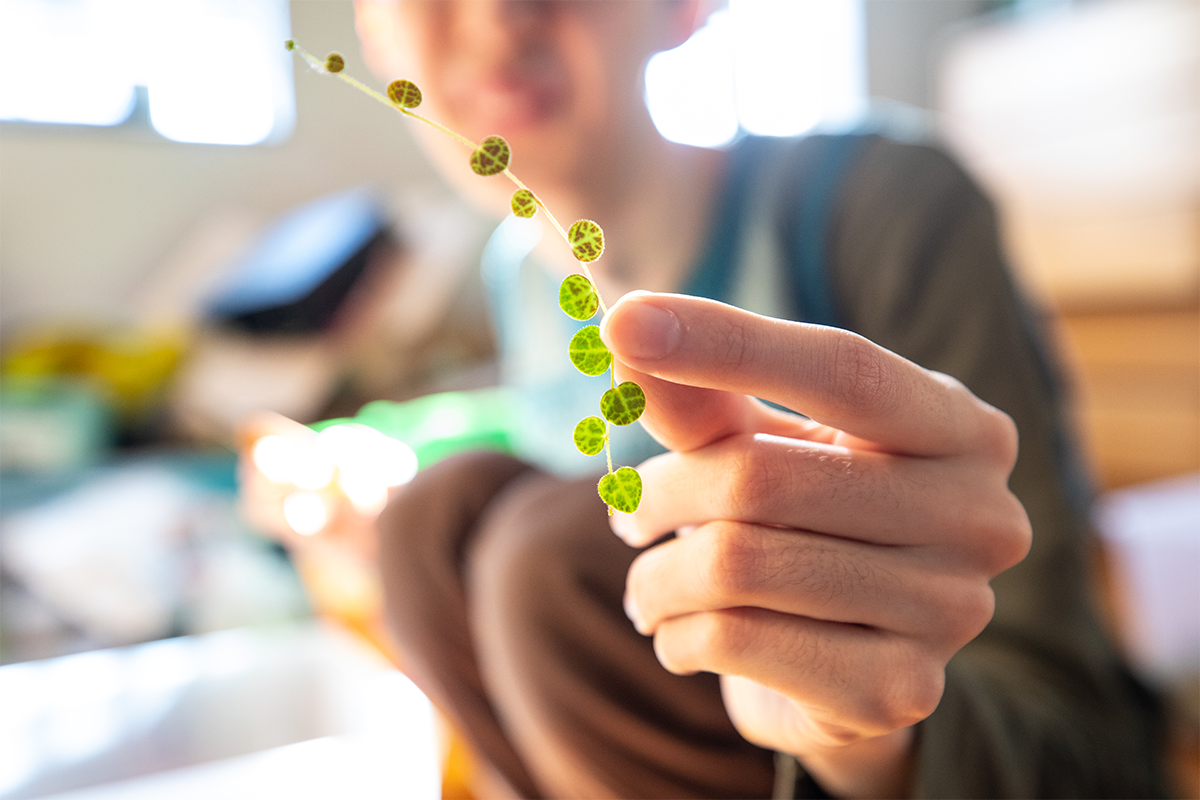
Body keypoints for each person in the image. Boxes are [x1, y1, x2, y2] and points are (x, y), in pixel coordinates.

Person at [316, 1, 1172, 798]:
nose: (493, 16)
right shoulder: (522, 277)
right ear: (375, 29)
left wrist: (857, 733)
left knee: (549, 559)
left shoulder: (880, 209)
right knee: (432, 523)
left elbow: (1075, 736)